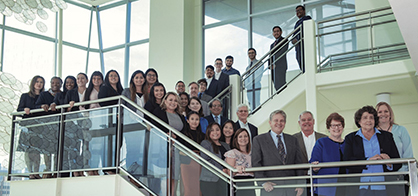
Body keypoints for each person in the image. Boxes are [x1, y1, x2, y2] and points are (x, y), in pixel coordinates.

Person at [343, 106, 401, 196]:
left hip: (384, 187)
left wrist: (390, 163)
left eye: (371, 118)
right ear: (359, 121)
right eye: (365, 118)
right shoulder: (350, 138)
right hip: (360, 187)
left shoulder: (387, 136)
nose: (369, 121)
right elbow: (347, 161)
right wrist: (367, 161)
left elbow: (398, 162)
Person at [252, 110, 305, 196]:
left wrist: (300, 184)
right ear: (270, 122)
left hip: (292, 189)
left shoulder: (293, 140)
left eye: (282, 121)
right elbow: (256, 163)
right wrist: (263, 182)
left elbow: (298, 163)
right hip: (271, 188)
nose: (279, 123)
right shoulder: (259, 140)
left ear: (285, 123)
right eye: (276, 120)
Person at [376, 102, 413, 196]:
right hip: (380, 177)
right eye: (380, 112)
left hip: (400, 176)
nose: (383, 114)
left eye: (386, 111)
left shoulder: (401, 130)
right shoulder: (372, 133)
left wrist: (400, 173)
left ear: (390, 114)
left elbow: (408, 154)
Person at [153, 92, 186, 196]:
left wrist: (177, 137)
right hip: (163, 148)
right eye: (170, 100)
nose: (173, 102)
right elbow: (154, 127)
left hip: (176, 148)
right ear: (165, 101)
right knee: (165, 175)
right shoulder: (159, 112)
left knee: (175, 175)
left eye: (175, 100)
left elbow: (184, 132)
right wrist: (166, 135)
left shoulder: (180, 115)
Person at [310, 112, 347, 196]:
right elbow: (314, 161)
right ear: (328, 128)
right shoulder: (321, 142)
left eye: (339, 125)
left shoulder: (348, 143)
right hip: (327, 187)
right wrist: (315, 166)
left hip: (346, 186)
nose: (336, 128)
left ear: (343, 127)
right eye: (333, 125)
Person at [17, 75, 45, 179]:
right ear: (33, 83)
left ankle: (36, 172)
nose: (39, 84)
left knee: (37, 150)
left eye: (41, 82)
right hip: (28, 126)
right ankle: (30, 172)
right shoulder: (25, 96)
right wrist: (25, 109)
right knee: (28, 150)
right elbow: (19, 110)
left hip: (39, 127)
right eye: (37, 81)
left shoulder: (44, 96)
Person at [34, 76, 62, 178]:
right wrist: (42, 106)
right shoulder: (44, 94)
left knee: (57, 149)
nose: (55, 85)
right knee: (47, 150)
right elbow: (36, 106)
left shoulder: (61, 95)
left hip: (58, 125)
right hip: (46, 126)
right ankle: (47, 170)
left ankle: (56, 170)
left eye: (58, 83)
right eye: (53, 83)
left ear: (61, 84)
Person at [178, 111, 206, 196]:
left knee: (198, 187)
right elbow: (179, 149)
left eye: (197, 119)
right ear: (188, 121)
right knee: (188, 188)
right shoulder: (182, 134)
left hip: (199, 164)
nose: (194, 121)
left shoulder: (203, 135)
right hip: (186, 163)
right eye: (192, 119)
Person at [200, 122, 230, 196]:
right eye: (212, 130)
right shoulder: (205, 143)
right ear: (208, 132)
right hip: (210, 180)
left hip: (224, 178)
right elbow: (205, 160)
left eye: (217, 130)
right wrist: (221, 170)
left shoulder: (225, 145)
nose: (215, 132)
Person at [225, 128, 255, 196]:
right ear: (236, 139)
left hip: (250, 183)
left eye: (245, 136)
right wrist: (237, 168)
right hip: (237, 183)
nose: (243, 138)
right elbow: (229, 172)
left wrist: (244, 170)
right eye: (240, 136)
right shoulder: (232, 153)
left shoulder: (253, 153)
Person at [292, 5, 312, 72]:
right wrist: (293, 40)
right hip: (298, 46)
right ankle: (304, 72)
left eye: (300, 10)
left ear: (304, 11)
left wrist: (297, 39)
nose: (298, 12)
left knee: (305, 60)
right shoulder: (297, 23)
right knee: (299, 59)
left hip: (304, 44)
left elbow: (304, 30)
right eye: (297, 11)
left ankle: (306, 72)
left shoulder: (307, 18)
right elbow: (294, 34)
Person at [269, 26, 288, 91]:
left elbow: (282, 52)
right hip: (273, 67)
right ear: (273, 33)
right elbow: (270, 55)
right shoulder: (272, 45)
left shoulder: (284, 40)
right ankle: (279, 94)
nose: (276, 33)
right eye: (274, 32)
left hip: (280, 65)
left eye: (277, 31)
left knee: (281, 83)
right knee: (275, 83)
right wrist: (270, 64)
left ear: (281, 32)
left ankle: (283, 95)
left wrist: (275, 61)